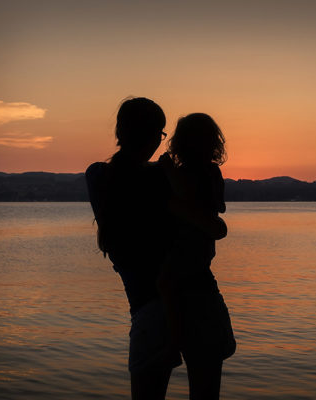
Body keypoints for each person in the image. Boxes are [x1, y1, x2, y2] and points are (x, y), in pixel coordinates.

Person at [85, 98, 227, 400]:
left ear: (120, 132)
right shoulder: (165, 180)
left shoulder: (98, 176)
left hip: (148, 309)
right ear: (153, 136)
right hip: (202, 300)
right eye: (161, 133)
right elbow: (214, 226)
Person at [158, 113, 236, 400]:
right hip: (197, 262)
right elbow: (216, 214)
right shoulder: (207, 172)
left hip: (191, 257)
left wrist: (168, 173)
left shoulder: (195, 173)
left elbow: (195, 204)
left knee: (167, 282)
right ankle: (174, 343)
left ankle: (173, 344)